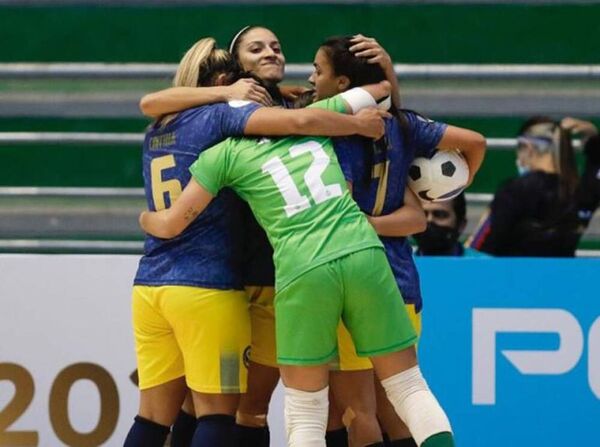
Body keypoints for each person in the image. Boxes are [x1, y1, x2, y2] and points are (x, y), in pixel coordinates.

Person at [139, 76, 457, 447]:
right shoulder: (315, 117)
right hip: (362, 251)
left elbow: (171, 223)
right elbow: (378, 90)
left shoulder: (221, 154)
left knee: (306, 411)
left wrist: (144, 218)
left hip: (302, 267)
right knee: (408, 386)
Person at [124, 36, 388, 447]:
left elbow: (149, 103)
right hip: (224, 283)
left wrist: (146, 218)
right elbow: (303, 123)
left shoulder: (162, 125)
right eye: (256, 49)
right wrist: (357, 120)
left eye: (277, 46)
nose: (271, 53)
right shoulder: (224, 115)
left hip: (158, 279)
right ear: (233, 77)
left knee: (167, 415)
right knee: (230, 411)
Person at [310, 36, 485, 446]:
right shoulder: (404, 125)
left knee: (355, 412)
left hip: (352, 279)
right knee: (400, 408)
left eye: (318, 71)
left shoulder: (330, 131)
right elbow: (475, 143)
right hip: (402, 283)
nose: (311, 78)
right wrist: (442, 190)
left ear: (342, 85)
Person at [468, 118, 583, 256]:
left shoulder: (514, 190)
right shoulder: (577, 192)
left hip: (514, 274)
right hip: (561, 275)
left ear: (528, 148)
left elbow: (483, 244)